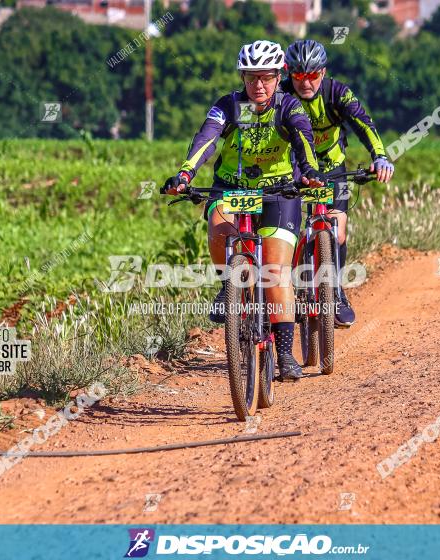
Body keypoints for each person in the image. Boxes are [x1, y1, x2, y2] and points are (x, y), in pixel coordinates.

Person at [163, 40, 324, 380]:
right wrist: (185, 173)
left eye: (266, 77)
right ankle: (228, 285)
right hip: (233, 186)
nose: (258, 86)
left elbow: (303, 138)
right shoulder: (230, 106)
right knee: (218, 223)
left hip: (280, 190)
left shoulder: (288, 106)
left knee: (276, 270)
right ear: (242, 77)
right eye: (251, 78)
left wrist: (309, 172)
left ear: (279, 77)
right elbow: (207, 138)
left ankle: (283, 352)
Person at [282, 39, 394, 327]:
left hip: (333, 169)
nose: (306, 83)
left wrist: (380, 156)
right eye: (298, 76)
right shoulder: (280, 96)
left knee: (338, 231)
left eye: (312, 75)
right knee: (286, 231)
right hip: (294, 169)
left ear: (323, 72)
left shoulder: (337, 92)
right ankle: (284, 290)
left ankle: (337, 292)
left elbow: (363, 123)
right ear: (288, 74)